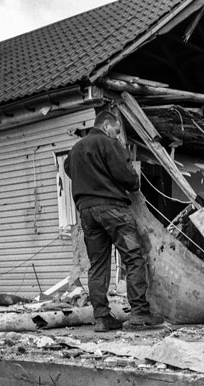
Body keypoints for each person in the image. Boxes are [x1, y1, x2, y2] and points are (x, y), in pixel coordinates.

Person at [64, 109, 162, 331]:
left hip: (87, 212)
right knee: (133, 258)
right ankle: (140, 313)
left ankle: (102, 318)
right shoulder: (109, 144)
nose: (118, 135)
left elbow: (69, 169)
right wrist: (130, 181)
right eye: (117, 131)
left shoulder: (76, 149)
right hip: (113, 210)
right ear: (106, 126)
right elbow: (127, 178)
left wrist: (91, 181)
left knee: (97, 265)